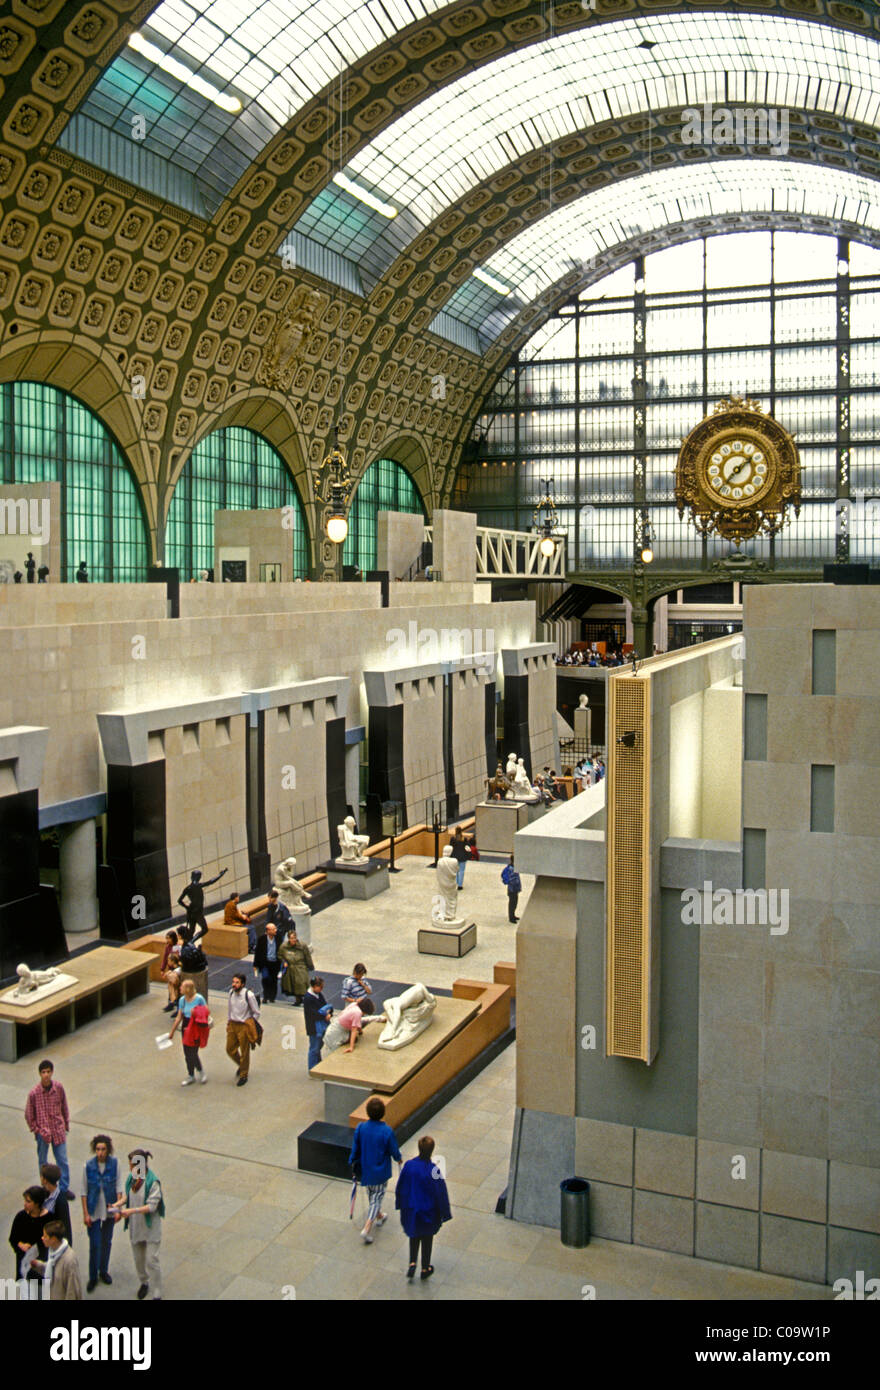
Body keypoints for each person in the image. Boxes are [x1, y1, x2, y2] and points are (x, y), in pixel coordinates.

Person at [109, 1149, 164, 1301]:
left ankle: (157, 1289)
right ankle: (144, 1282)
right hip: (136, 1226)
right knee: (139, 1259)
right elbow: (128, 1195)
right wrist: (116, 1204)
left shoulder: (153, 1182)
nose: (130, 1167)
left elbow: (151, 1207)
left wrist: (131, 1211)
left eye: (132, 1164)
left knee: (151, 1260)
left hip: (150, 1227)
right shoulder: (132, 1179)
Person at [396, 1135, 453, 1280]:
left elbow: (401, 1186)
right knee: (427, 1240)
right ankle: (425, 1267)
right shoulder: (434, 1171)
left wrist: (400, 1204)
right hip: (429, 1213)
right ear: (432, 1151)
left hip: (412, 1209)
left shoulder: (409, 1165)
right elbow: (441, 1193)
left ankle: (412, 1262)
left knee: (414, 1236)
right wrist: (445, 1213)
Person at [349, 1097, 402, 1244]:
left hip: (365, 1169)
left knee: (372, 1194)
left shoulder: (361, 1128)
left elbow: (356, 1147)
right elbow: (393, 1149)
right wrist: (398, 1158)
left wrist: (352, 1160)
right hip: (380, 1171)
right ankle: (367, 1228)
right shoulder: (386, 1131)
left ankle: (379, 1215)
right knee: (377, 1198)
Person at [81, 1134, 122, 1292]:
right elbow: (84, 1191)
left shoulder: (115, 1164)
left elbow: (118, 1187)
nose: (100, 1152)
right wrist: (85, 1214)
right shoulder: (88, 1166)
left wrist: (117, 1209)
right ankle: (93, 1276)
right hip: (94, 1209)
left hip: (110, 1209)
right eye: (98, 1149)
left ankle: (103, 1270)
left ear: (108, 1149)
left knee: (107, 1242)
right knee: (95, 1244)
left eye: (103, 1149)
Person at [25, 1059, 71, 1194]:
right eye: (43, 1072)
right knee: (43, 1162)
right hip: (43, 1133)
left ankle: (64, 1188)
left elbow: (64, 1106)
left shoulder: (58, 1088)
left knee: (62, 1160)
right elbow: (29, 1114)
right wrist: (37, 1130)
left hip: (58, 1129)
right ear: (40, 1074)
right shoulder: (34, 1093)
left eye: (48, 1072)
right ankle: (45, 1187)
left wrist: (65, 1124)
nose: (46, 1075)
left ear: (52, 1072)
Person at [167, 978, 209, 1084]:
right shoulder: (182, 1000)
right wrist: (172, 1032)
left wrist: (195, 1012)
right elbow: (179, 1017)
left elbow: (207, 1011)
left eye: (182, 987)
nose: (180, 988)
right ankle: (191, 1075)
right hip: (186, 1026)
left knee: (193, 1052)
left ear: (188, 989)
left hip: (196, 1025)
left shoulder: (199, 999)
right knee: (187, 1052)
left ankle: (201, 1071)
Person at [31, 1218, 82, 1300]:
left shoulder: (69, 1260)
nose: (42, 1238)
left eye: (45, 1236)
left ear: (53, 1239)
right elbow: (51, 1270)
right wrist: (37, 1265)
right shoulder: (53, 1252)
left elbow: (72, 1290)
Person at [226, 971, 261, 1086]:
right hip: (232, 1024)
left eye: (237, 982)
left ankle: (243, 1074)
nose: (234, 984)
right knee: (230, 1049)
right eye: (233, 982)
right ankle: (242, 1065)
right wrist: (228, 1021)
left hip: (243, 1026)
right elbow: (230, 1008)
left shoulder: (248, 995)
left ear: (242, 984)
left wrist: (250, 1024)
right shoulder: (231, 993)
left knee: (245, 1051)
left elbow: (256, 1012)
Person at [177, 866, 227, 943]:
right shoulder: (199, 886)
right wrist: (221, 875)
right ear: (197, 877)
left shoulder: (187, 888)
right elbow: (211, 881)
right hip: (197, 912)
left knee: (191, 931)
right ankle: (191, 942)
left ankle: (189, 944)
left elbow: (179, 901)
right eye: (199, 876)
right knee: (204, 929)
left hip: (191, 911)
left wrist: (187, 907)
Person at [8, 1186, 47, 1279]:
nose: (25, 1204)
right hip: (23, 1263)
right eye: (25, 1200)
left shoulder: (47, 1219)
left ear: (37, 1203)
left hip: (40, 1265)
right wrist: (20, 1244)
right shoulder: (21, 1216)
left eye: (28, 1201)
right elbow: (13, 1238)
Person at [279, 927, 314, 1004]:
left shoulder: (302, 945)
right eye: (291, 938)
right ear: (288, 938)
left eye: (294, 938)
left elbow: (307, 956)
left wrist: (310, 966)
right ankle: (298, 1000)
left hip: (301, 967)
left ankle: (308, 1000)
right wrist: (284, 961)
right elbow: (280, 955)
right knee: (293, 986)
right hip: (290, 968)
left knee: (302, 984)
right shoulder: (284, 946)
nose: (293, 940)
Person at [40, 1164, 73, 1245]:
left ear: (45, 1180)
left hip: (53, 1241)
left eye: (41, 1176)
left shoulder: (60, 1201)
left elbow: (65, 1225)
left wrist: (67, 1245)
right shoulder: (42, 1193)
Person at [303, 976, 329, 1070]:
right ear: (314, 986)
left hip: (320, 1024)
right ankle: (312, 1068)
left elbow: (325, 1004)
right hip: (313, 1026)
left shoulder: (318, 994)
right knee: (314, 1047)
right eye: (320, 987)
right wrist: (324, 1016)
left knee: (318, 1046)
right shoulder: (308, 998)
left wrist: (328, 1012)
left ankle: (317, 1064)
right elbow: (312, 1014)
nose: (322, 989)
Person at [253, 920, 282, 1003]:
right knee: (265, 979)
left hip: (275, 963)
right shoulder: (261, 939)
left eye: (275, 928)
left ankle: (272, 997)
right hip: (265, 963)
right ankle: (266, 996)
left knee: (274, 980)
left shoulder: (278, 938)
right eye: (273, 929)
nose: (275, 930)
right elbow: (257, 952)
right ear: (268, 931)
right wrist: (255, 965)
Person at [160, 930, 182, 1014]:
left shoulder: (178, 947)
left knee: (176, 987)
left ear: (173, 938)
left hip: (176, 969)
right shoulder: (167, 947)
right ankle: (171, 1003)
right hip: (170, 969)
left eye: (169, 938)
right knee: (170, 986)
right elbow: (165, 958)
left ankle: (177, 1006)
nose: (167, 940)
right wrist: (162, 969)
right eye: (166, 938)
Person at [449, 825, 472, 889]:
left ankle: (456, 883)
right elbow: (468, 848)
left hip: (455, 857)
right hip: (463, 857)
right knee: (462, 871)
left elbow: (450, 847)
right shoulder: (464, 839)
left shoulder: (453, 839)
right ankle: (460, 885)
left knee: (456, 871)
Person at [501, 854, 521, 923]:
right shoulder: (510, 869)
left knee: (515, 903)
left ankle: (513, 915)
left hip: (515, 888)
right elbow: (507, 878)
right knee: (512, 903)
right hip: (512, 889)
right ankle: (511, 917)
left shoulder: (514, 868)